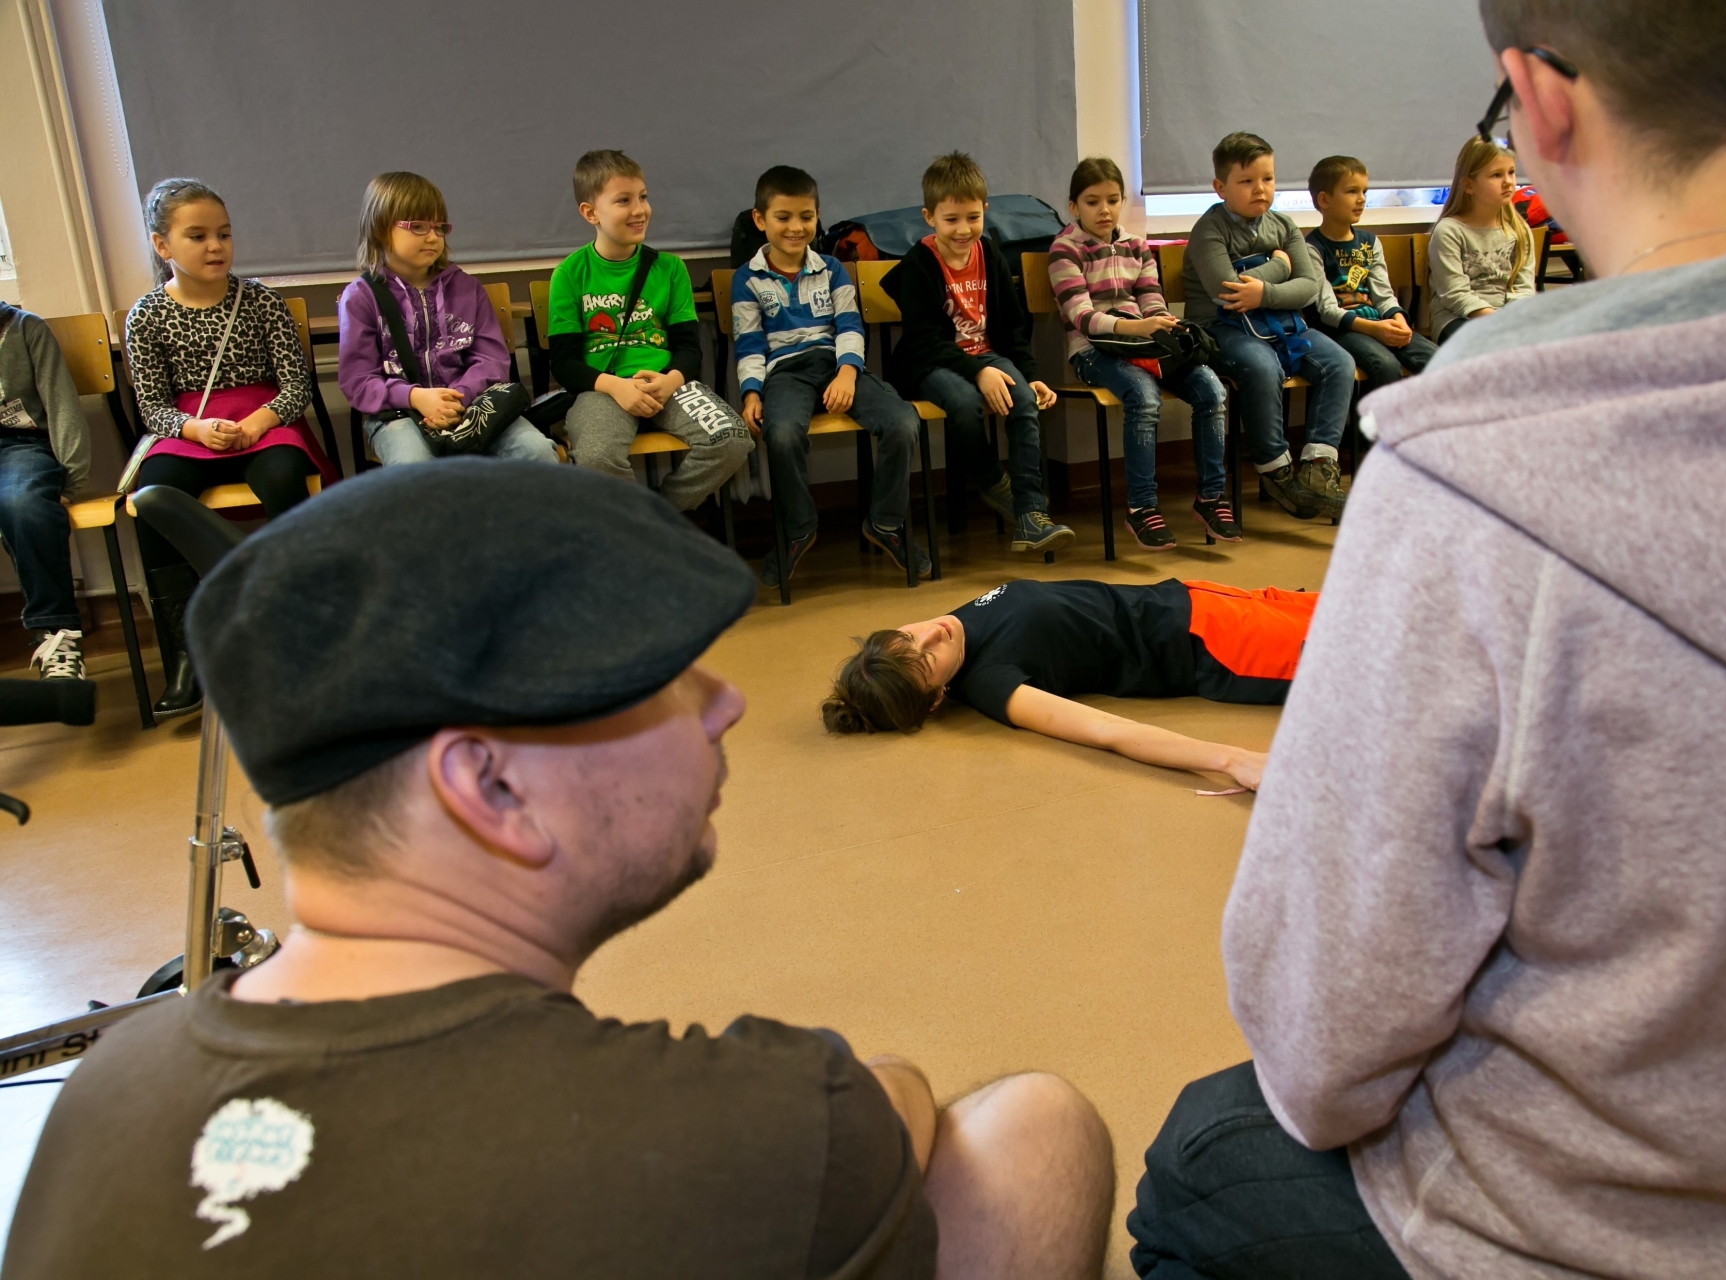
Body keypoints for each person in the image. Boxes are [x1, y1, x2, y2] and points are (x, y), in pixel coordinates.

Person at [1132, 0, 1726, 1276]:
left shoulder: (1465, 476)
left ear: (1541, 105)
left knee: (1199, 1158)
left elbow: (1322, 1046)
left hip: (1574, 1224)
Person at [1, 462, 1116, 1280]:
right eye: (663, 680)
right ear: (488, 785)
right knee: (1035, 1127)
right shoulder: (738, 1128)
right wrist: (879, 1089)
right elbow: (884, 1110)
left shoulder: (102, 1097)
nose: (726, 703)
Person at [124, 178, 326, 720]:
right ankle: (185, 655)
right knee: (154, 496)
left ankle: (298, 629)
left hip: (264, 422)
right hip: (191, 430)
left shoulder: (260, 301)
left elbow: (297, 385)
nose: (215, 246)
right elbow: (152, 407)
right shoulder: (146, 315)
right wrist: (193, 429)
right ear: (162, 245)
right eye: (198, 236)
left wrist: (261, 420)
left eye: (224, 234)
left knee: (283, 477)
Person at [822, 578, 1315, 792]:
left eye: (909, 636)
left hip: (1199, 598)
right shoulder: (993, 683)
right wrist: (1232, 760)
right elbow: (1108, 731)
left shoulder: (953, 626)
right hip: (1212, 644)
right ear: (934, 700)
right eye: (928, 659)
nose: (935, 632)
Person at [733, 166, 928, 585]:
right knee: (781, 434)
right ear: (760, 220)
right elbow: (749, 344)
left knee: (902, 421)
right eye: (783, 217)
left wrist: (847, 374)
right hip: (785, 373)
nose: (796, 227)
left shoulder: (832, 268)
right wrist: (751, 393)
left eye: (806, 216)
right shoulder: (746, 278)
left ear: (817, 216)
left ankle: (885, 522)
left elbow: (850, 327)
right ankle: (798, 528)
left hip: (838, 365)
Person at [880, 152, 1070, 556]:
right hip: (930, 361)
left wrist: (1031, 374)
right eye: (951, 220)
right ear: (929, 217)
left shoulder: (990, 254)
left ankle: (1031, 514)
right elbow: (926, 341)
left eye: (972, 217)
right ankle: (991, 480)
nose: (963, 229)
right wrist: (979, 372)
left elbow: (1011, 329)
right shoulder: (918, 266)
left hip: (983, 355)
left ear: (985, 209)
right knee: (964, 401)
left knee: (1023, 400)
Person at [547, 150, 752, 510]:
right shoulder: (569, 274)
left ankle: (656, 518)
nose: (639, 209)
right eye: (623, 200)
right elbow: (564, 364)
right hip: (603, 389)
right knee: (595, 457)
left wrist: (671, 380)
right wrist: (616, 387)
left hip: (665, 384)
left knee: (731, 439)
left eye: (643, 197)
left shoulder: (670, 269)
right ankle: (641, 527)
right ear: (591, 213)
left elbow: (689, 349)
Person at [1049, 157, 1237, 549]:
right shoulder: (1064, 250)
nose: (1104, 210)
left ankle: (1211, 498)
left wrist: (1164, 325)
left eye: (1112, 200)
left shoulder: (1136, 246)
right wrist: (1135, 327)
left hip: (1145, 344)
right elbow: (1082, 317)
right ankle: (1141, 507)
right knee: (1144, 395)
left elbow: (1152, 301)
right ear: (1073, 207)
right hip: (1092, 351)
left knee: (1212, 389)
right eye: (1092, 202)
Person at [1182, 132, 1356, 525]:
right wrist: (1279, 267)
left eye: (1268, 178)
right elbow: (1228, 292)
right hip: (1221, 328)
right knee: (1262, 366)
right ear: (1220, 187)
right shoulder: (1209, 230)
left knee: (1339, 363)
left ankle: (1318, 469)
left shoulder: (1284, 225)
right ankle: (1276, 469)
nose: (1260, 189)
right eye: (1246, 181)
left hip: (1282, 323)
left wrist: (1263, 294)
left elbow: (1309, 286)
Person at [336, 171, 556, 466]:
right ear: (380, 229)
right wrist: (415, 398)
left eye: (439, 228)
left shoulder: (467, 288)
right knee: (415, 466)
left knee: (537, 452)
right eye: (417, 226)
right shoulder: (361, 297)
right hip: (400, 413)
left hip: (471, 404)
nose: (432, 237)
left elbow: (492, 361)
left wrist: (455, 399)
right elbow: (359, 381)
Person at [0, 301, 91, 682]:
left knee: (24, 505)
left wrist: (72, 477)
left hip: (20, 445)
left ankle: (57, 634)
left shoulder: (26, 330)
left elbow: (61, 404)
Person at [1304, 156, 1436, 393]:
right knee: (1384, 365)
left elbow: (1384, 295)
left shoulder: (1370, 242)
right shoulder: (1312, 248)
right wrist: (1375, 329)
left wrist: (1399, 322)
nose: (1362, 199)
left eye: (1364, 191)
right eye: (1352, 191)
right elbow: (1326, 310)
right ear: (1324, 199)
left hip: (1379, 322)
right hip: (1339, 329)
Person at [1426, 137, 1536, 345]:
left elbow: (1524, 288)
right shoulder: (1449, 232)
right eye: (1496, 175)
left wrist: (1511, 320)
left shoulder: (1519, 230)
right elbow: (1455, 294)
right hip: (1457, 318)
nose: (1508, 181)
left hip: (1506, 318)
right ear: (1469, 185)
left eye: (1511, 172)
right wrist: (1496, 322)